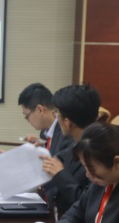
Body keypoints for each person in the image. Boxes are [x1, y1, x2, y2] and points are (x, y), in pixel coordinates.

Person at [42, 84, 100, 213]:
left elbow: (87, 204)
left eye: (57, 114)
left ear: (67, 123)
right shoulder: (75, 142)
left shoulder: (98, 155)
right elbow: (59, 158)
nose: (56, 118)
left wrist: (60, 173)